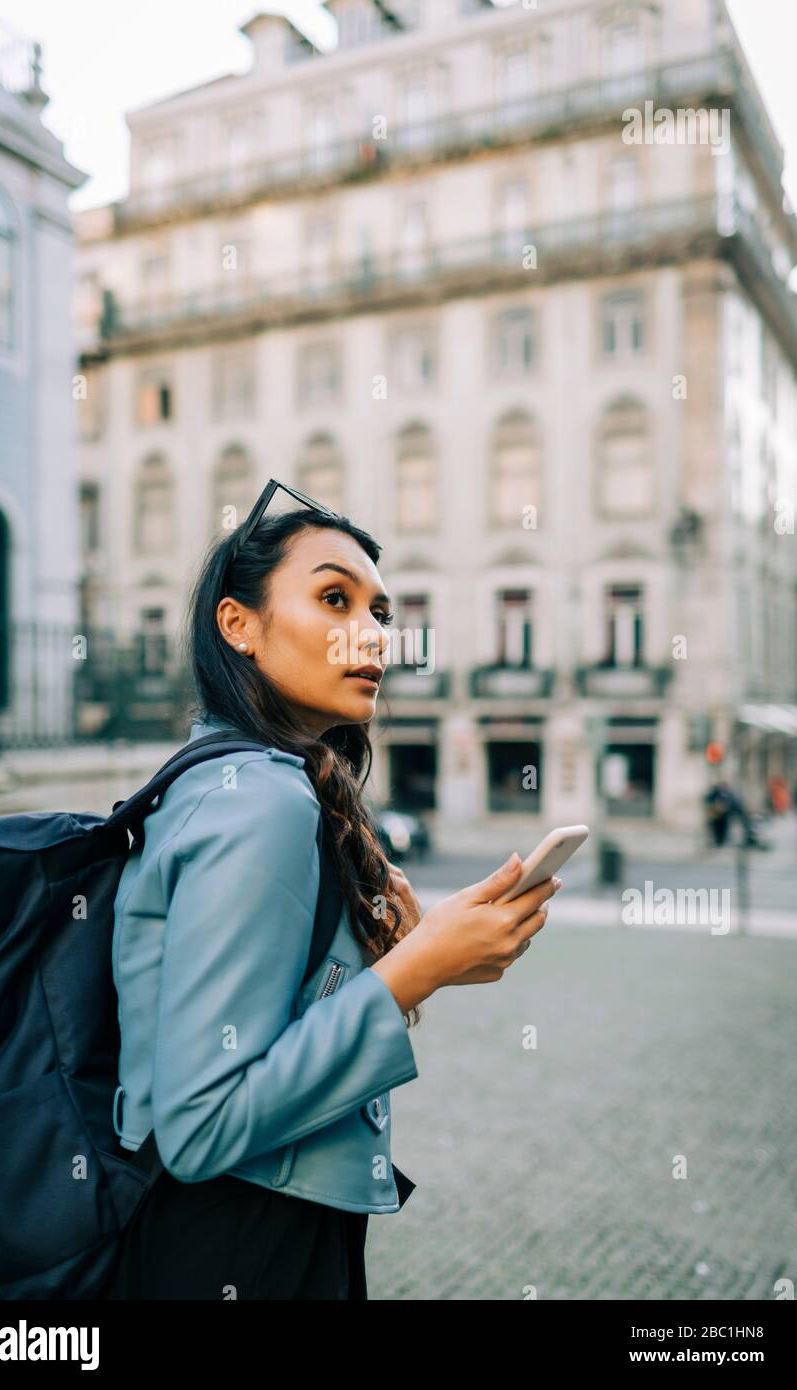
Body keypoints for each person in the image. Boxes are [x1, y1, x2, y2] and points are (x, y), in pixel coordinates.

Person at [104, 483, 560, 1300]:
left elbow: (254, 1033)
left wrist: (406, 955)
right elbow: (202, 1126)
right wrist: (415, 970)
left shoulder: (236, 777)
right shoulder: (262, 803)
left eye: (382, 613)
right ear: (237, 625)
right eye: (333, 598)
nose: (372, 634)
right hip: (241, 1243)